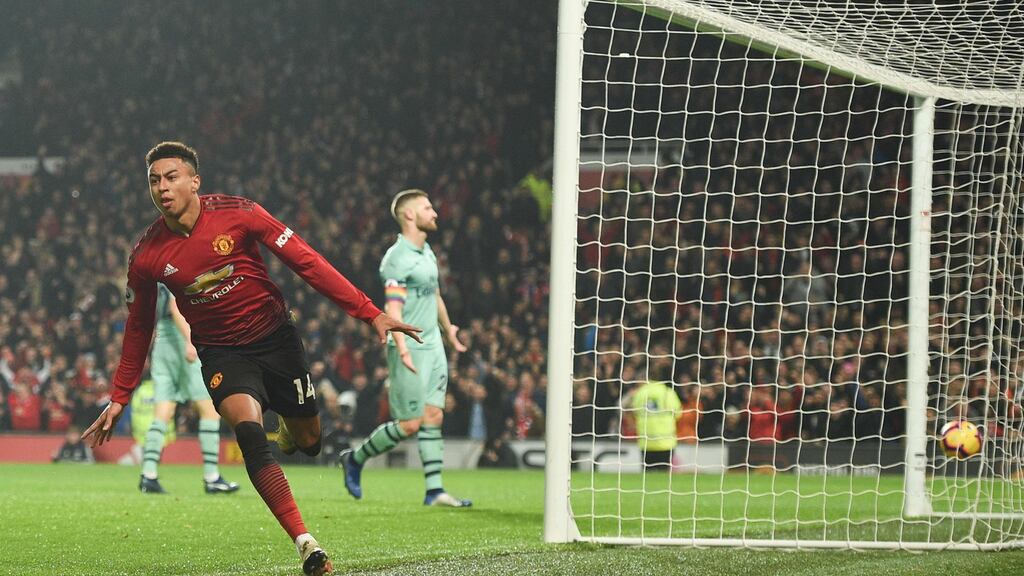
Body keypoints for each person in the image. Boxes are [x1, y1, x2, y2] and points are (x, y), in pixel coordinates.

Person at [82, 142, 421, 576]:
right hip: (222, 353)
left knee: (310, 442)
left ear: (194, 181)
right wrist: (120, 395)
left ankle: (288, 430)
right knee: (248, 433)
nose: (162, 187)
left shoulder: (238, 213)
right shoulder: (148, 255)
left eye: (171, 177)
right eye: (154, 180)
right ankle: (306, 544)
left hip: (277, 340)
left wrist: (368, 312)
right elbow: (138, 327)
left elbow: (306, 261)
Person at [340, 188, 472, 507]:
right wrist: (400, 345)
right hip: (408, 348)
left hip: (434, 347)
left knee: (433, 416)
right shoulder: (396, 259)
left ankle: (434, 491)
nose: (435, 213)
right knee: (409, 423)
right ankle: (355, 458)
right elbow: (393, 308)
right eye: (428, 208)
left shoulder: (427, 253)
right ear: (410, 215)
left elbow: (435, 295)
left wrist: (449, 331)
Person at [137, 283, 239, 495]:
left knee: (163, 412)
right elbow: (176, 307)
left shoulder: (159, 270)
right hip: (182, 337)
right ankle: (211, 477)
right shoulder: (177, 266)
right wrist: (190, 341)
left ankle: (148, 474)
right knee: (209, 409)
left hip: (163, 341)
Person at [630, 372, 682, 472]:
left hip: (646, 442)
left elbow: (635, 412)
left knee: (647, 478)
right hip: (665, 442)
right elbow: (678, 414)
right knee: (664, 476)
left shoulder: (640, 392)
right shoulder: (668, 392)